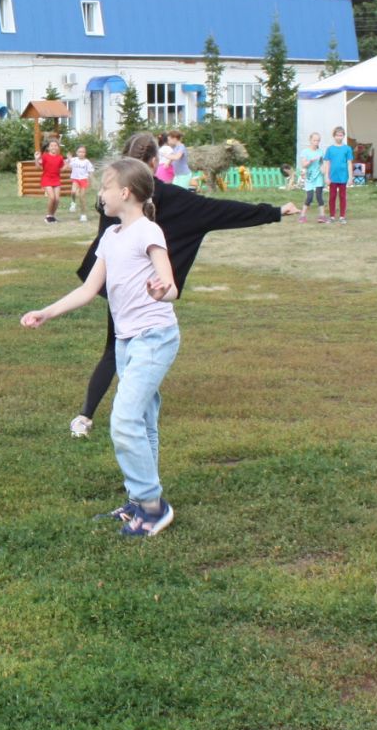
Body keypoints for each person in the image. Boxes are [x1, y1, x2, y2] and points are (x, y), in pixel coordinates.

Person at [68, 133, 298, 438]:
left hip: (120, 288)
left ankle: (85, 417)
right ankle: (119, 414)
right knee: (135, 349)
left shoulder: (113, 197)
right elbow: (223, 212)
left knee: (115, 348)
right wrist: (275, 212)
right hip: (152, 293)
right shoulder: (174, 199)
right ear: (154, 162)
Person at [23, 156, 182, 537]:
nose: (100, 194)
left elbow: (171, 286)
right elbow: (88, 288)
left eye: (104, 187)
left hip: (154, 337)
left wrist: (162, 292)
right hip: (127, 341)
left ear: (124, 192)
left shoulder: (149, 232)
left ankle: (153, 506)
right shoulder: (111, 236)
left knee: (124, 421)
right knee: (141, 421)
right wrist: (48, 311)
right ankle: (138, 502)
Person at [325, 126, 355, 223]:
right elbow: (327, 163)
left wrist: (350, 177)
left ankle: (342, 216)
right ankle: (332, 216)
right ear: (334, 136)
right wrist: (326, 176)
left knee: (342, 196)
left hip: (343, 177)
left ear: (343, 136)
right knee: (332, 197)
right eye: (337, 135)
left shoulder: (347, 149)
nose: (339, 137)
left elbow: (349, 163)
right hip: (332, 177)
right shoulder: (330, 149)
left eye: (341, 135)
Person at [297, 131, 328, 223]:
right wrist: (310, 161)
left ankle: (322, 216)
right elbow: (303, 165)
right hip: (309, 177)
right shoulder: (305, 152)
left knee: (319, 196)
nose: (316, 142)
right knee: (309, 197)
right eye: (314, 140)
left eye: (318, 140)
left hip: (319, 177)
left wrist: (324, 173)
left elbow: (322, 164)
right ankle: (302, 216)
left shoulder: (321, 152)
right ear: (310, 140)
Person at [38, 138, 65, 222]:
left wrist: (68, 163)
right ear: (48, 148)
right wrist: (36, 159)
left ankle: (52, 216)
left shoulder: (60, 157)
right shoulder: (45, 156)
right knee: (52, 198)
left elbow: (61, 169)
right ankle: (48, 215)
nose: (54, 147)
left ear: (58, 147)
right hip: (46, 179)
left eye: (55, 145)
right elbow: (38, 166)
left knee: (57, 199)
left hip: (56, 179)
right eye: (52, 145)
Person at [67, 145, 94, 222]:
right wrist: (69, 159)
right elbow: (68, 166)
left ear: (85, 153)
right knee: (73, 191)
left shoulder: (87, 162)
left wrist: (90, 181)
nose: (81, 153)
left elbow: (90, 172)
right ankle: (73, 203)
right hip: (75, 179)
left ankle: (83, 215)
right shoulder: (74, 160)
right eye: (80, 151)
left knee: (82, 197)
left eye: (83, 152)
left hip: (83, 180)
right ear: (76, 152)